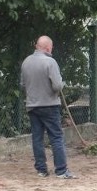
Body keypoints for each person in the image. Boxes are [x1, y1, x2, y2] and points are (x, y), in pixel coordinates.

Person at [20, 36, 76, 179]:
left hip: (32, 106)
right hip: (49, 105)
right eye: (51, 47)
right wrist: (61, 84)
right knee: (56, 137)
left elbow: (22, 85)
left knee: (37, 138)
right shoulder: (50, 62)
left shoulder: (26, 62)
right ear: (47, 48)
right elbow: (57, 85)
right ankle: (61, 171)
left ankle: (41, 170)